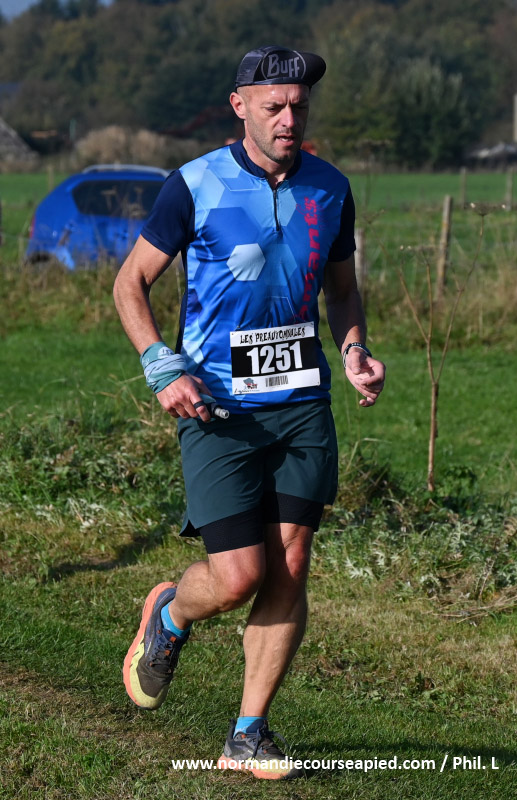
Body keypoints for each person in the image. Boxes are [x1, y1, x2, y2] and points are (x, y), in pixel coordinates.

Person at [114, 44, 386, 780]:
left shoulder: (331, 188)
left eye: (299, 105)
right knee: (236, 577)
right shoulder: (194, 184)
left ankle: (248, 734)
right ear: (240, 107)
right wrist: (160, 364)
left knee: (290, 565)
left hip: (301, 404)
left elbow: (342, 291)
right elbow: (130, 283)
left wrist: (355, 350)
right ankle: (170, 612)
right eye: (274, 106)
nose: (289, 118)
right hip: (217, 407)